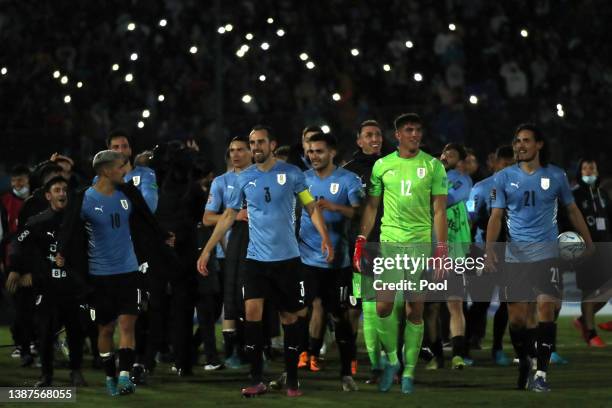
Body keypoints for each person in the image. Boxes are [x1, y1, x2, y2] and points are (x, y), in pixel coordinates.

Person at [197, 125, 333, 398]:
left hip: (288, 260)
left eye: (260, 142)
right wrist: (207, 250)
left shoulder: (292, 174)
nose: (255, 147)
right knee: (252, 315)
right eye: (252, 143)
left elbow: (309, 206)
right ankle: (257, 378)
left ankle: (292, 380)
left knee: (290, 317)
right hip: (256, 260)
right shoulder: (243, 179)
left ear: (272, 144)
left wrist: (325, 237)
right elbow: (227, 216)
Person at [485, 124, 594, 392]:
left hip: (548, 255)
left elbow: (572, 209)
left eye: (526, 140)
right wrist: (489, 250)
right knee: (518, 320)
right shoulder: (503, 177)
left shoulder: (556, 175)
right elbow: (496, 216)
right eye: (517, 141)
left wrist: (588, 241)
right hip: (516, 258)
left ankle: (541, 374)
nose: (520, 145)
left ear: (539, 145)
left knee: (547, 309)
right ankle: (525, 360)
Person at [57, 150, 175, 397]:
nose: (126, 171)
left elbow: (145, 216)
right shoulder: (84, 199)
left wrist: (163, 235)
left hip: (129, 271)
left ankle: (123, 377)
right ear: (107, 171)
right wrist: (62, 252)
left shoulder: (128, 193)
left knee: (127, 324)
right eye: (122, 166)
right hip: (99, 276)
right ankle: (110, 375)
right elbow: (68, 228)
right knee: (106, 329)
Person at [354, 113, 448, 394]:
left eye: (418, 130)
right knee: (382, 307)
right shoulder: (383, 166)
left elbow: (439, 210)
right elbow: (372, 206)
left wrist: (441, 248)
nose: (415, 135)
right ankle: (393, 360)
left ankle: (408, 372)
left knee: (414, 310)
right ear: (397, 134)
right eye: (409, 130)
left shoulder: (433, 166)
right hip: (390, 243)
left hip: (419, 246)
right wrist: (361, 238)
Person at [7, 176, 88, 387]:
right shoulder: (37, 222)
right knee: (44, 332)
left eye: (64, 190)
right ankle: (46, 375)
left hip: (72, 287)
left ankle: (76, 371)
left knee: (76, 331)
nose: (62, 193)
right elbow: (17, 243)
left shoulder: (78, 222)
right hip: (47, 286)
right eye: (57, 190)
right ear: (48, 195)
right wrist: (16, 268)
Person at [299, 132, 363, 390]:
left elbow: (359, 211)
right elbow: (297, 210)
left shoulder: (348, 180)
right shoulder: (302, 180)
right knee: (300, 311)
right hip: (306, 259)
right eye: (311, 151)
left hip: (338, 261)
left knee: (339, 315)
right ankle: (301, 361)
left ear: (332, 152)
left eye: (319, 151)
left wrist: (335, 208)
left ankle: (347, 371)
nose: (313, 156)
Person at [203, 137, 252, 369]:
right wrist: (234, 217)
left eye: (241, 150)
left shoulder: (262, 178)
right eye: (232, 150)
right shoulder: (221, 182)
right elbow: (208, 218)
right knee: (230, 302)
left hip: (260, 250)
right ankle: (233, 350)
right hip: (228, 251)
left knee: (251, 300)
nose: (236, 154)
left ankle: (252, 348)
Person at [343, 119, 385, 381]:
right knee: (356, 307)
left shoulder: (391, 166)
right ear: (359, 140)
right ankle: (353, 361)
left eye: (378, 134)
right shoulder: (349, 172)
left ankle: (385, 363)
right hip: (359, 247)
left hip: (390, 244)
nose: (375, 139)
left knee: (386, 307)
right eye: (369, 135)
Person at [465, 145, 515, 365]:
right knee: (480, 302)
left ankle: (497, 348)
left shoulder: (520, 187)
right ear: (495, 163)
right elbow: (469, 219)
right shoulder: (480, 188)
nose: (508, 169)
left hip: (510, 253)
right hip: (480, 250)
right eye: (505, 164)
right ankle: (465, 347)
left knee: (507, 302)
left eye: (512, 165)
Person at [569, 158, 612, 346]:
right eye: (585, 168)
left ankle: (582, 320)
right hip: (586, 250)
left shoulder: (602, 194)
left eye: (592, 168)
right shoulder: (575, 195)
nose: (588, 171)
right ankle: (590, 332)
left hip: (605, 248)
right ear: (580, 172)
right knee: (588, 291)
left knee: (607, 290)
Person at [438, 143, 473, 369]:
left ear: (460, 161)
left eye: (450, 155)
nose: (444, 157)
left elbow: (447, 200)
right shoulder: (431, 174)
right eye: (443, 153)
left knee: (455, 303)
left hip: (453, 252)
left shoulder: (463, 180)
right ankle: (432, 354)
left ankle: (458, 353)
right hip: (428, 249)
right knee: (426, 306)